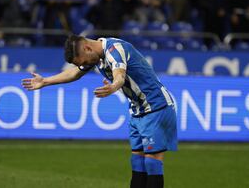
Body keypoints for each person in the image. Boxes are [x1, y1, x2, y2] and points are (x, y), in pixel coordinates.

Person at [21, 35, 178, 188]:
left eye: (84, 61)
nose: (86, 64)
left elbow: (120, 75)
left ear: (87, 48)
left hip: (157, 106)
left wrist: (113, 87)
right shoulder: (96, 55)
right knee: (137, 162)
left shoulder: (114, 49)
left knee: (152, 162)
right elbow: (74, 73)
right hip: (137, 110)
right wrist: (45, 81)